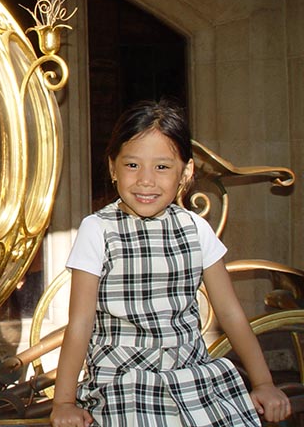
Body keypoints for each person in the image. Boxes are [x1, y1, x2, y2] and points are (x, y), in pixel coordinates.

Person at [50, 99, 291, 426]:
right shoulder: (98, 229)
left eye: (162, 167)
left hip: (190, 373)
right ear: (112, 168)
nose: (146, 180)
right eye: (132, 165)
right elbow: (80, 323)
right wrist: (63, 402)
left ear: (186, 172)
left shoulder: (196, 229)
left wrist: (263, 384)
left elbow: (230, 312)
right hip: (124, 379)